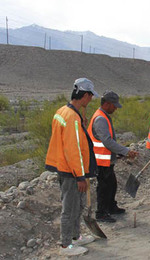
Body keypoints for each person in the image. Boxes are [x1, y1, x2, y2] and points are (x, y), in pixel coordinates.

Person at [45, 78, 99, 256]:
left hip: (66, 167)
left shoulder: (63, 111)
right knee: (70, 208)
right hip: (70, 171)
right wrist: (80, 176)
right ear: (85, 95)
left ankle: (75, 237)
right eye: (90, 97)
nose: (90, 101)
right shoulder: (72, 118)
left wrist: (83, 125)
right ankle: (66, 245)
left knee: (78, 205)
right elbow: (72, 149)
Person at [88, 91, 138, 223]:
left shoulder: (104, 117)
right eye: (114, 105)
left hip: (106, 159)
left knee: (111, 184)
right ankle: (101, 213)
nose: (115, 108)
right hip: (100, 161)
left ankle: (111, 207)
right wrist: (125, 151)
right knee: (104, 187)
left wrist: (121, 153)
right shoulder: (100, 119)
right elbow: (107, 141)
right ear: (106, 104)